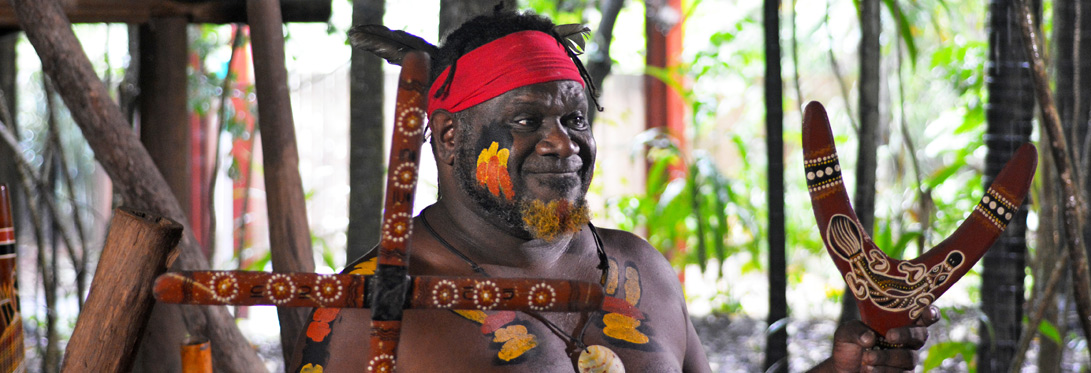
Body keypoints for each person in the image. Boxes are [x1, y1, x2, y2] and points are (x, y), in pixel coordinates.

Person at [295, 10, 936, 372]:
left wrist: (840, 371)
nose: (562, 143)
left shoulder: (640, 268)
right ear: (448, 136)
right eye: (525, 122)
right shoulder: (369, 312)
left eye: (575, 119)